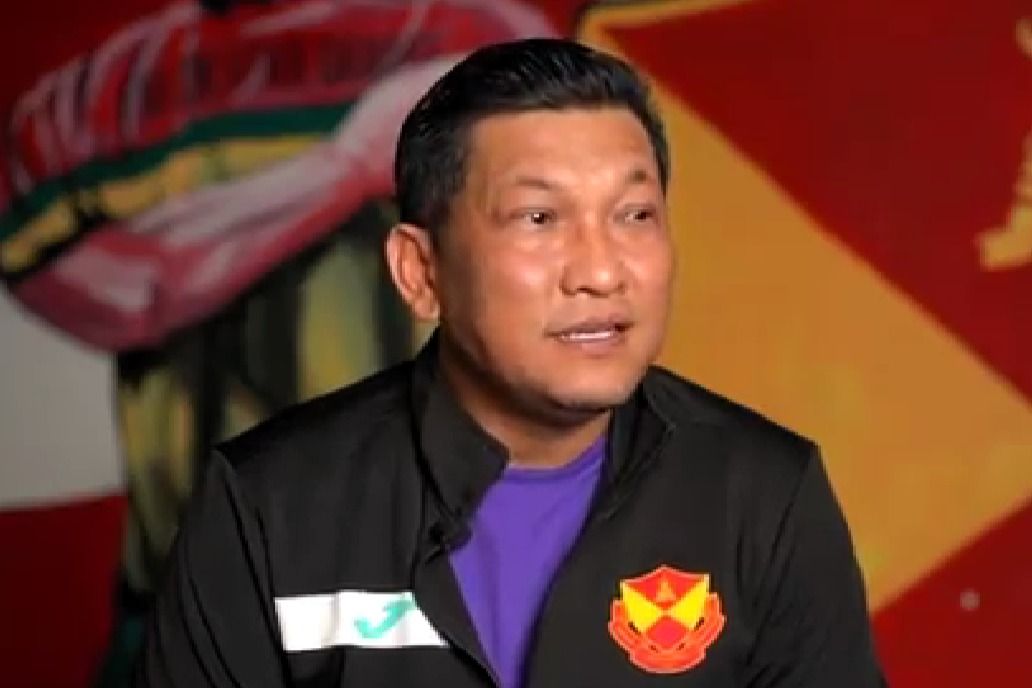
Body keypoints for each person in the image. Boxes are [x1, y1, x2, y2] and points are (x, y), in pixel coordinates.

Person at [134, 38, 885, 688]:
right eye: (539, 218)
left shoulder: (761, 497)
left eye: (635, 215)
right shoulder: (270, 505)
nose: (601, 272)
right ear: (420, 272)